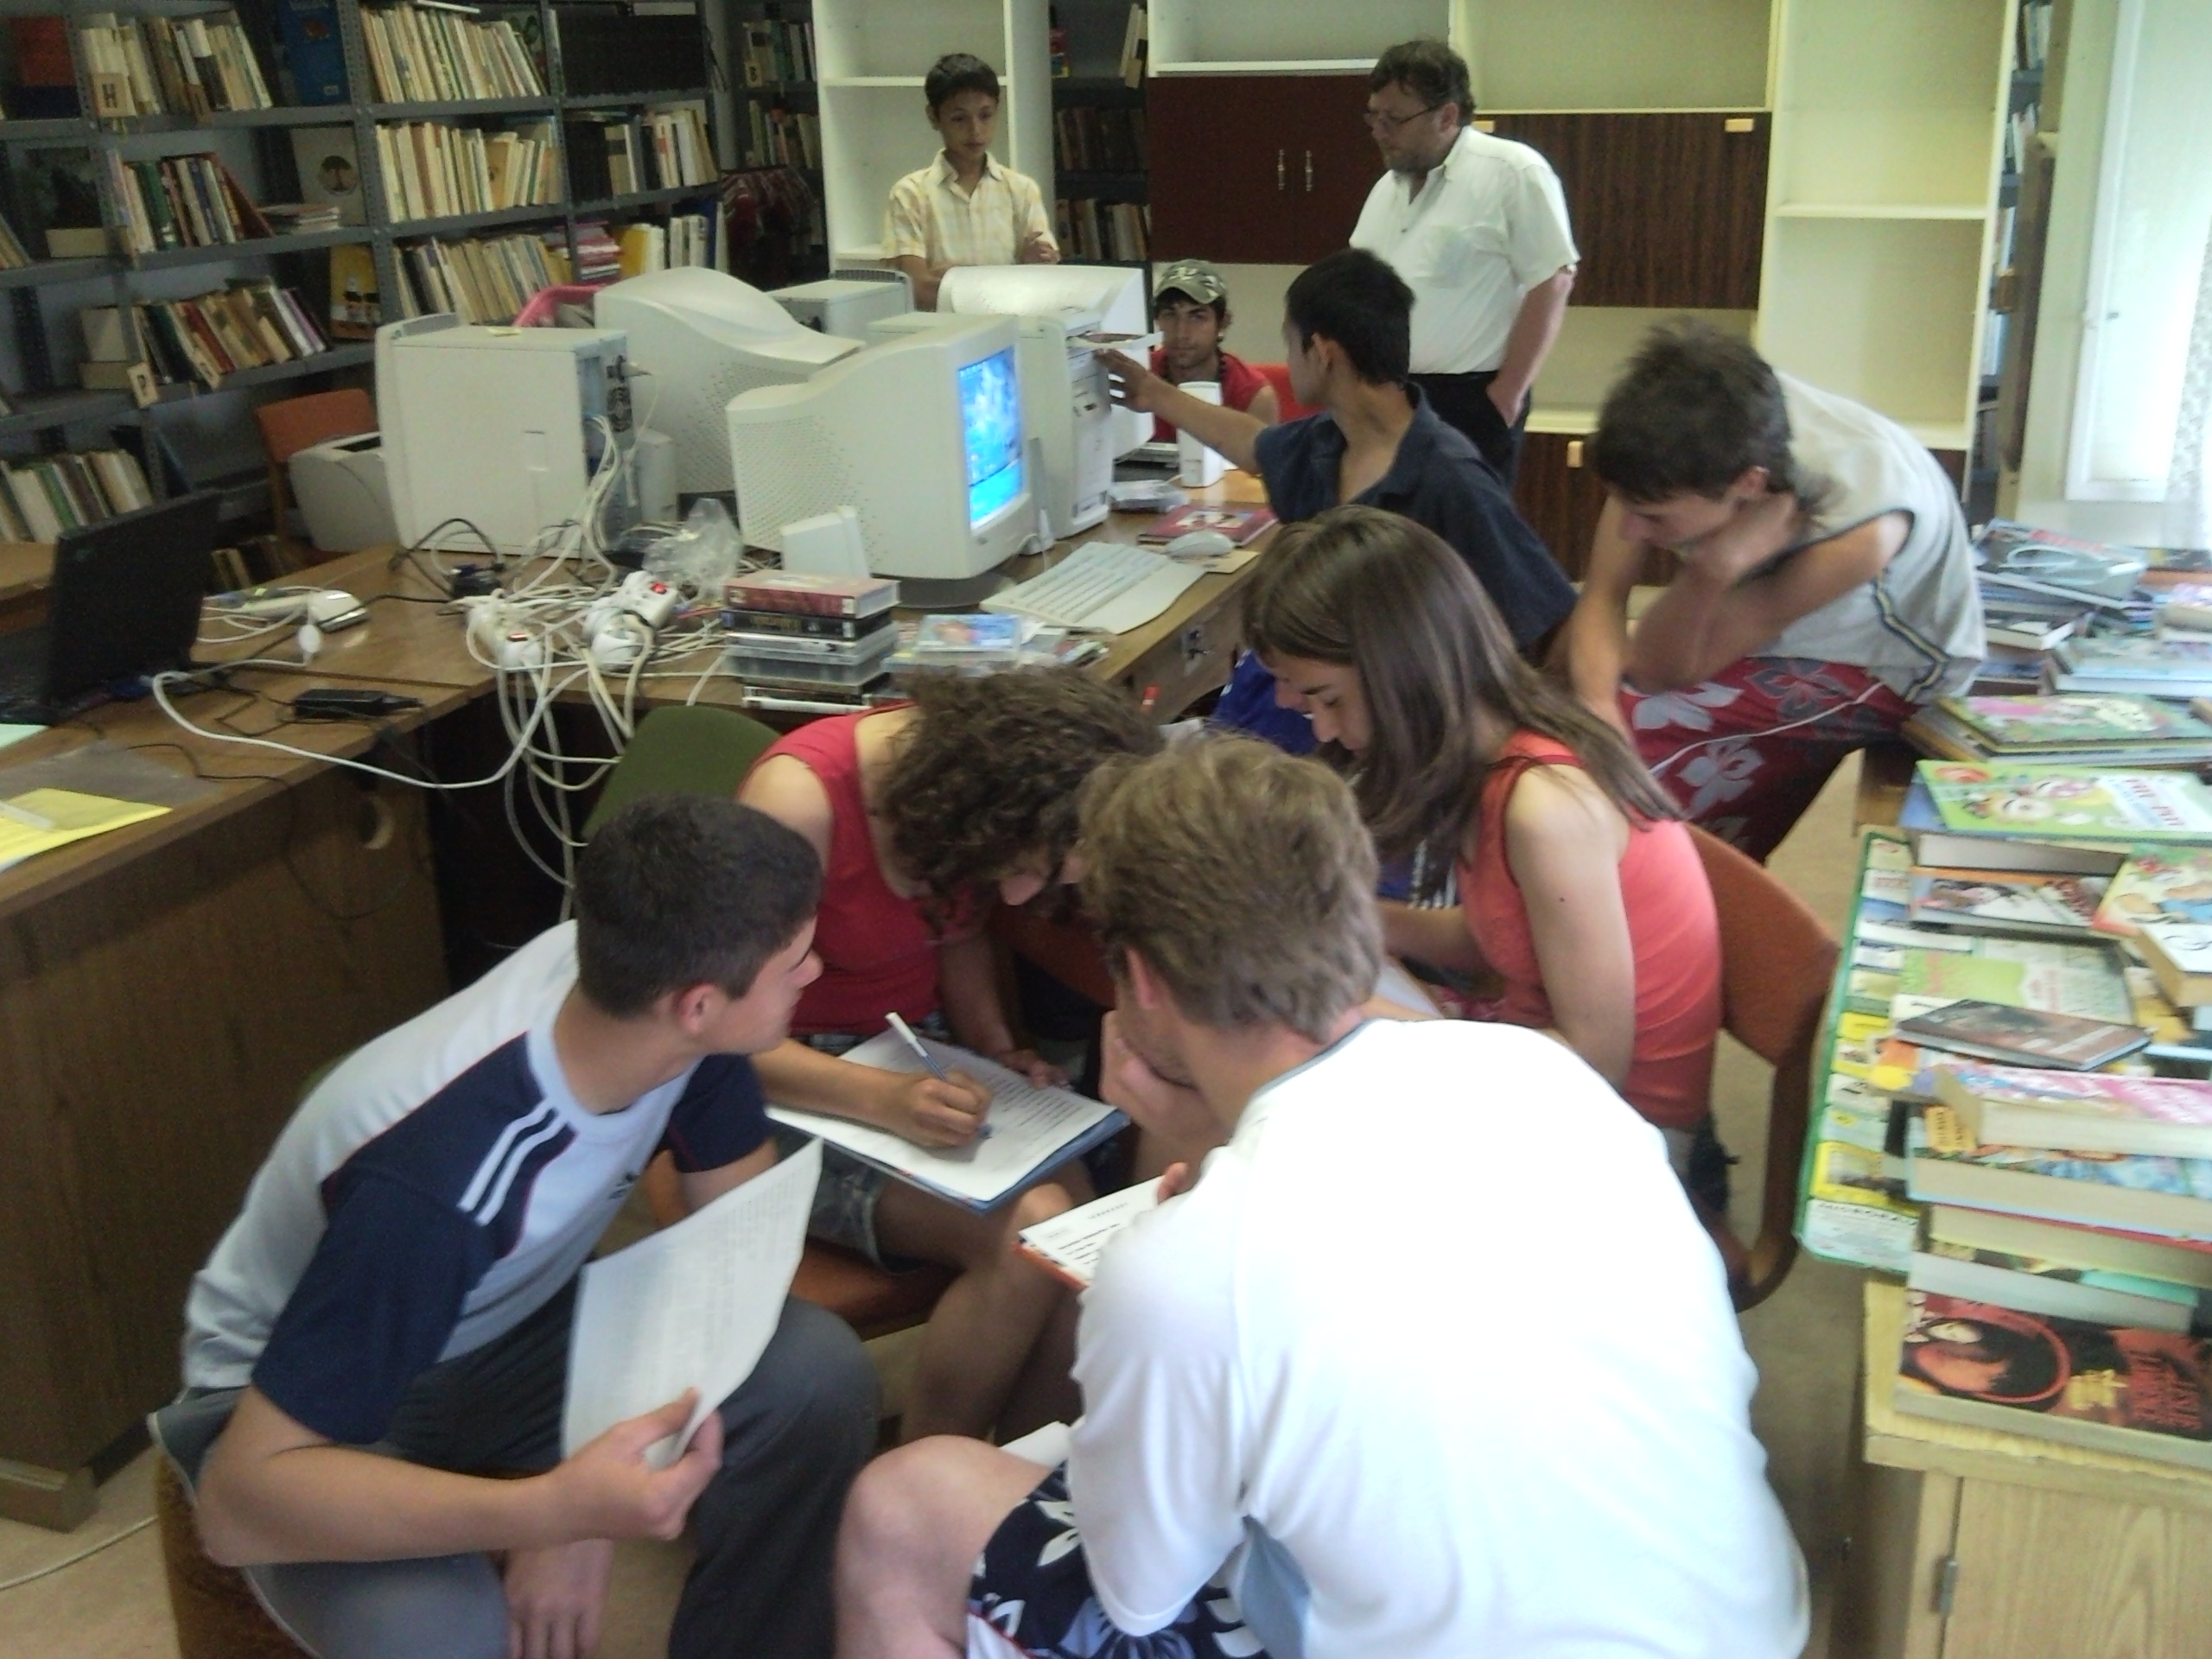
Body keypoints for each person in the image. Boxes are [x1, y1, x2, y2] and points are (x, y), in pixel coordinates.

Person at [833, 736, 1809, 1659]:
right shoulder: (1542, 1073)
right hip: (1744, 1627)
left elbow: (1138, 1592)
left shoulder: (1184, 1266)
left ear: (1145, 980)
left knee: (905, 1503)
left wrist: (1170, 1251)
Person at [154, 797, 879, 1659]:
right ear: (696, 1004)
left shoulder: (657, 1004)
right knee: (442, 1633)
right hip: (298, 1404)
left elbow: (732, 1252)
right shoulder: (439, 1188)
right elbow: (238, 1510)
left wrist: (585, 1506)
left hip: (504, 1326)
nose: (812, 972)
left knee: (815, 1376)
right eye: (794, 961)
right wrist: (553, 1509)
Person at [738, 668, 1160, 1443]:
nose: (1017, 897)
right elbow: (719, 1038)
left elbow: (957, 937)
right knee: (1031, 1230)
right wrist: (884, 1100)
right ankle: (930, 1467)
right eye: (1028, 866)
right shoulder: (800, 803)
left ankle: (1016, 1467)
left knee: (1090, 1232)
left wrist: (997, 1050)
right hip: (784, 1085)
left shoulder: (963, 795)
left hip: (913, 1055)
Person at [1245, 504, 1724, 1185]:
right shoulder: (1493, 752)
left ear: (1402, 669)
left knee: (1294, 1110)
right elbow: (1500, 936)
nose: (1321, 731)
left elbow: (1595, 1063)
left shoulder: (1545, 808)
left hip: (1623, 1136)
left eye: (1329, 699)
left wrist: (1368, 1022)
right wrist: (1355, 918)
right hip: (1550, 1065)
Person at [1103, 246, 1575, 752]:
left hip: (1355, 746)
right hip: (1283, 721)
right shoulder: (1327, 442)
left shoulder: (1451, 479)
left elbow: (1552, 624)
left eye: (1290, 344)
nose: (1288, 361)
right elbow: (1253, 445)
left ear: (1323, 352)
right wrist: (1154, 393)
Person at [1562, 319, 1984, 860]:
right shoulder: (1675, 435)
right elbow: (1601, 597)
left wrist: (1712, 571)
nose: (1630, 531)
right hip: (1783, 616)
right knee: (1578, 721)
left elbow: (1658, 670)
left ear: (1749, 485)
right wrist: (1595, 708)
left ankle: (1678, 884)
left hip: (1892, 664)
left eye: (1653, 517)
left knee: (1636, 739)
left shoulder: (1860, 529)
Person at [1350, 39, 1577, 485]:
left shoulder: (1513, 172)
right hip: (1389, 394)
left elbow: (1553, 280)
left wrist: (1508, 392)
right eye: (1374, 116)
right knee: (1390, 524)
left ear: (1447, 116)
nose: (1379, 131)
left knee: (1464, 525)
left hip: (1472, 399)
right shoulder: (1386, 189)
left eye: (1394, 118)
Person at [886, 53, 1058, 311]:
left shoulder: (1022, 190)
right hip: (942, 332)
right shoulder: (909, 194)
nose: (975, 130)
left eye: (985, 115)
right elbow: (919, 291)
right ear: (934, 117)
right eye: (959, 118)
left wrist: (955, 279)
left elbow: (1040, 284)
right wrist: (1011, 275)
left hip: (1009, 326)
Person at [1145, 257, 1279, 442]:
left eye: (1197, 317)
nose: (1181, 333)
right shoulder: (1140, 375)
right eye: (1170, 315)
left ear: (1222, 323)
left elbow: (1262, 459)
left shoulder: (1253, 395)